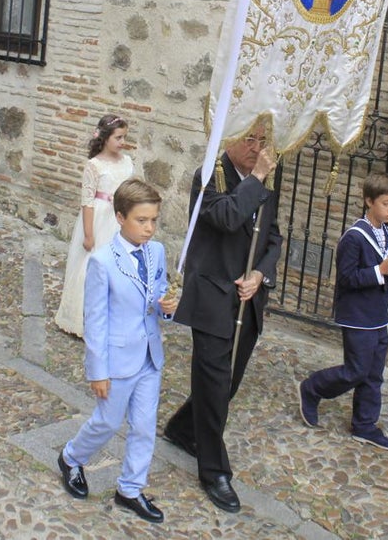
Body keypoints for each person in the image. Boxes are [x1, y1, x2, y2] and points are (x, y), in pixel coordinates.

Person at [162, 126, 282, 514]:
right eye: (249, 139)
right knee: (214, 385)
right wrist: (259, 178)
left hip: (248, 299)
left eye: (263, 141)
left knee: (227, 383)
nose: (256, 148)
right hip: (213, 294)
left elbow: (275, 238)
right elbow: (228, 217)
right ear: (230, 138)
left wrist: (261, 274)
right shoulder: (208, 175)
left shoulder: (266, 181)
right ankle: (213, 470)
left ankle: (182, 428)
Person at [58, 178, 178, 524]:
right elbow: (95, 320)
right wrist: (98, 370)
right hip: (116, 359)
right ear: (121, 217)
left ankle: (130, 489)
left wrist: (167, 306)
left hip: (149, 357)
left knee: (143, 426)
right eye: (142, 220)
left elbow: (158, 296)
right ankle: (70, 457)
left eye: (154, 220)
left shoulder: (156, 252)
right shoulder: (102, 262)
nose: (150, 228)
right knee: (108, 421)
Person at [298, 172, 388, 450]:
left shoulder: (387, 233)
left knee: (374, 373)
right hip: (357, 316)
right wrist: (378, 271)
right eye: (385, 204)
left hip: (378, 315)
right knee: (355, 371)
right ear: (369, 201)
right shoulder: (354, 238)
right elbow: (346, 278)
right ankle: (312, 387)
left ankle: (365, 425)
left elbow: (384, 273)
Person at [54, 114, 134, 337]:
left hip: (121, 220)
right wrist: (89, 234)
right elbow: (87, 201)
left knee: (118, 269)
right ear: (105, 138)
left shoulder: (127, 162)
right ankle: (82, 320)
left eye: (124, 137)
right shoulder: (94, 165)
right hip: (100, 219)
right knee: (92, 267)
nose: (122, 142)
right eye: (118, 137)